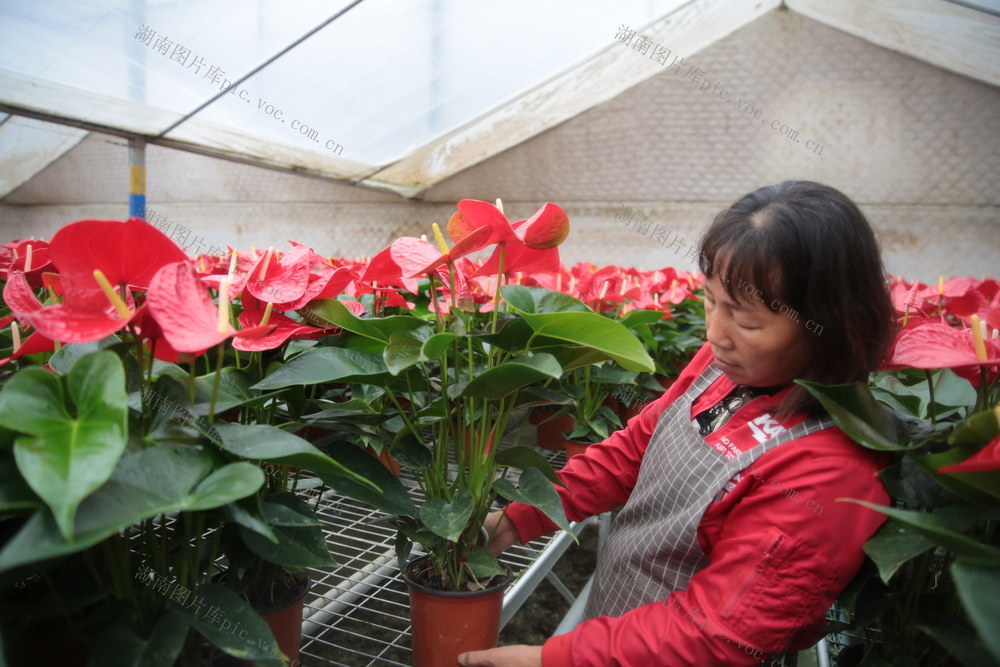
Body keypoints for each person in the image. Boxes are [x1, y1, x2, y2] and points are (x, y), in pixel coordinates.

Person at [458, 181, 895, 667]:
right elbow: (639, 446)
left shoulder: (831, 472)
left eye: (746, 322)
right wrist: (519, 517)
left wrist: (551, 659)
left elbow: (718, 636)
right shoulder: (723, 366)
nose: (715, 334)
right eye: (710, 300)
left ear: (829, 324)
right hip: (616, 632)